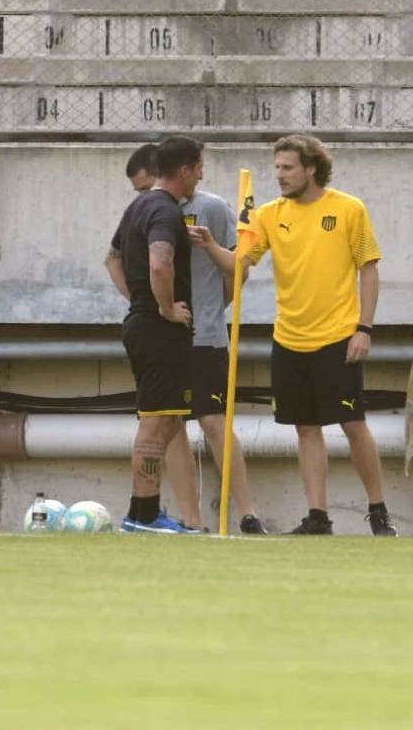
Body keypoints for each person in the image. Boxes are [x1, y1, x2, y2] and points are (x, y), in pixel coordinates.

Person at [190, 134, 397, 536]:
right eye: (277, 168)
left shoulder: (349, 209)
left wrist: (364, 328)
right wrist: (211, 245)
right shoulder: (268, 214)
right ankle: (317, 516)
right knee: (305, 427)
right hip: (288, 338)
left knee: (353, 423)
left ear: (311, 169)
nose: (279, 175)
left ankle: (378, 510)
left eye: (287, 167)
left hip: (339, 336)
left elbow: (368, 268)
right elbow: (240, 262)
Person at [109, 143, 268, 535]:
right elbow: (116, 258)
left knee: (212, 420)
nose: (143, 191)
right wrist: (149, 303)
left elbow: (240, 268)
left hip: (203, 334)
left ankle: (247, 513)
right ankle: (188, 519)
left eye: (145, 183)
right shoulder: (154, 208)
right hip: (165, 330)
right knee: (168, 423)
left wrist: (213, 305)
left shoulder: (210, 207)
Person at [103, 135, 201, 533]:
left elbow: (112, 258)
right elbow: (160, 264)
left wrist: (139, 299)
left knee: (166, 418)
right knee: (156, 421)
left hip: (144, 321)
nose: (200, 177)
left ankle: (142, 511)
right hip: (159, 327)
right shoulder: (164, 209)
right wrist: (162, 307)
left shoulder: (138, 206)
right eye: (198, 169)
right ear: (184, 171)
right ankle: (144, 515)